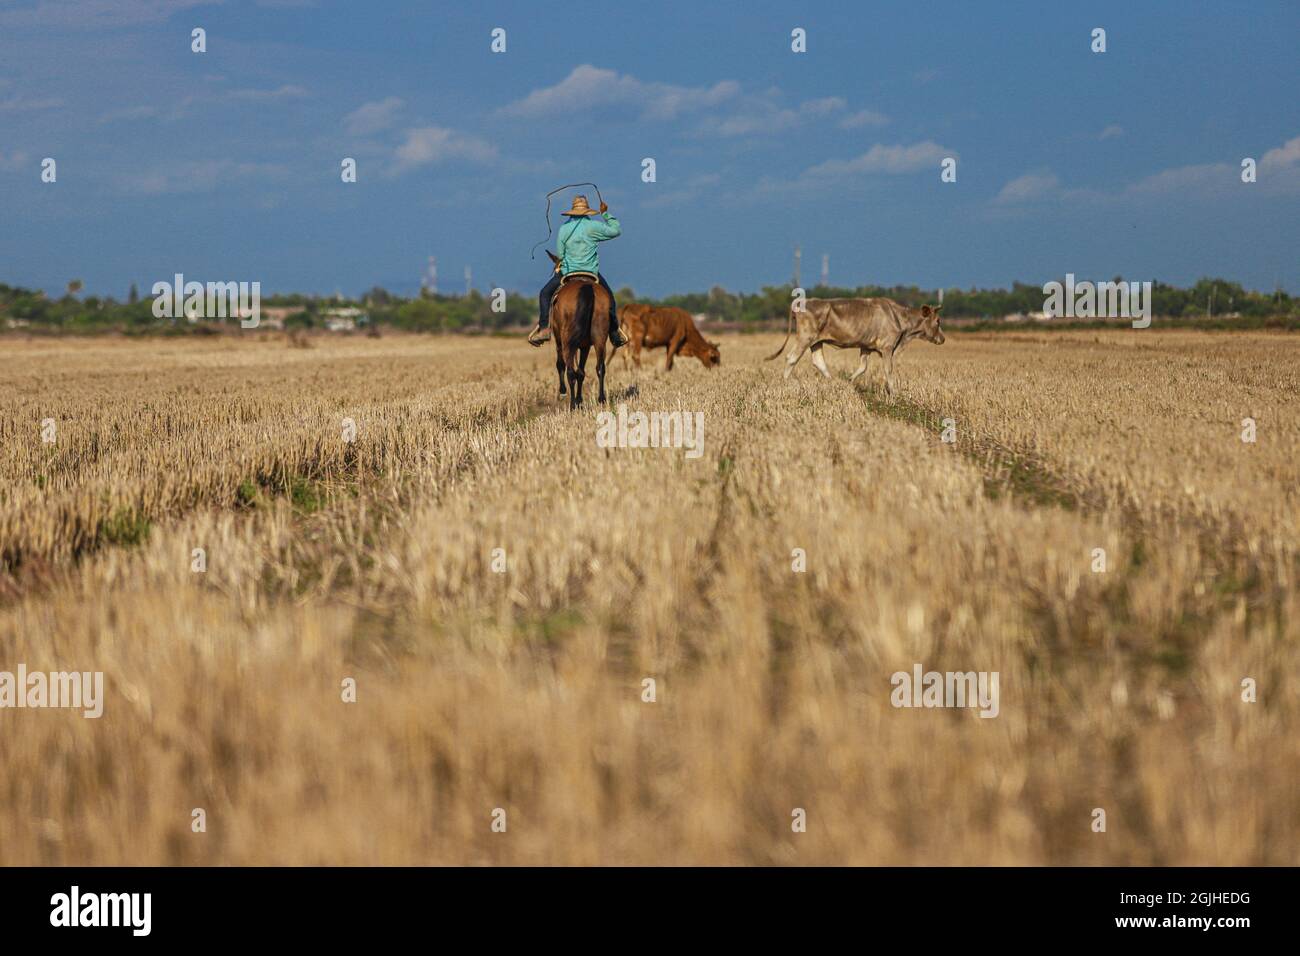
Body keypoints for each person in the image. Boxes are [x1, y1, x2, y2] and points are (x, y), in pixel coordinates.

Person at [528, 194, 628, 347]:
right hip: (591, 273)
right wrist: (605, 214)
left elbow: (560, 255)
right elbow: (616, 230)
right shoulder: (594, 226)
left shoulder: (563, 229)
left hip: (568, 272)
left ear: (572, 211)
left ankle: (544, 329)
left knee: (545, 294)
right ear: (588, 211)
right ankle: (614, 332)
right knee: (609, 298)